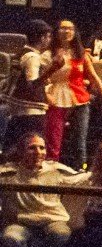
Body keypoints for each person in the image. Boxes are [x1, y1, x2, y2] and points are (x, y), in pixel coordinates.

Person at [0, 133, 85, 247]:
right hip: (22, 222)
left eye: (42, 147)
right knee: (10, 238)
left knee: (60, 234)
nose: (38, 152)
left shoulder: (56, 170)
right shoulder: (8, 174)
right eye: (32, 148)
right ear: (21, 151)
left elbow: (83, 178)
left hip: (52, 220)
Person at [45, 19, 102, 169]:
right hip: (54, 97)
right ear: (57, 31)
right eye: (63, 28)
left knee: (79, 141)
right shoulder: (48, 53)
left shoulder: (81, 53)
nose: (66, 31)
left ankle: (79, 171)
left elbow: (94, 77)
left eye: (70, 28)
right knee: (54, 139)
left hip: (79, 98)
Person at [6, 20, 52, 153]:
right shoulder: (32, 57)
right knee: (29, 147)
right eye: (48, 36)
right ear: (42, 37)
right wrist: (51, 70)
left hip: (17, 110)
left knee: (13, 146)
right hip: (30, 111)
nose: (49, 40)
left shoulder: (21, 53)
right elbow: (32, 85)